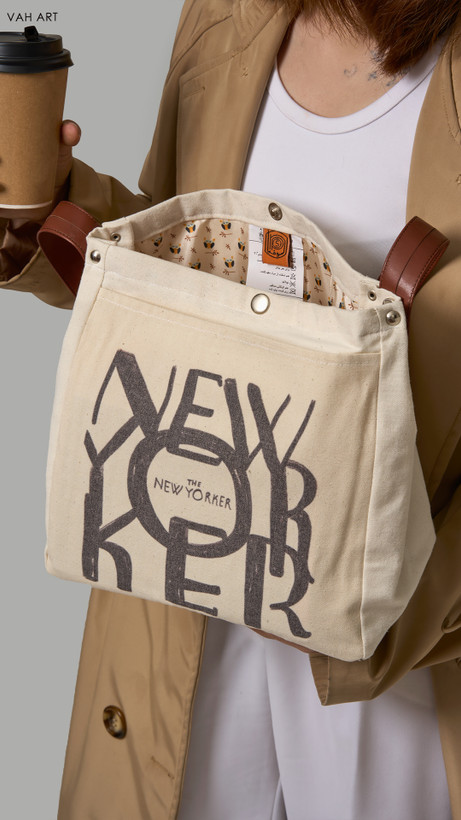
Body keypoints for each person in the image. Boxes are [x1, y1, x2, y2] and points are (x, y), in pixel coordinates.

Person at [1, 1, 461, 817]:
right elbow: (182, 265)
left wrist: (390, 609)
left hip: (399, 664)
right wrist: (44, 213)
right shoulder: (228, 11)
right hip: (177, 584)